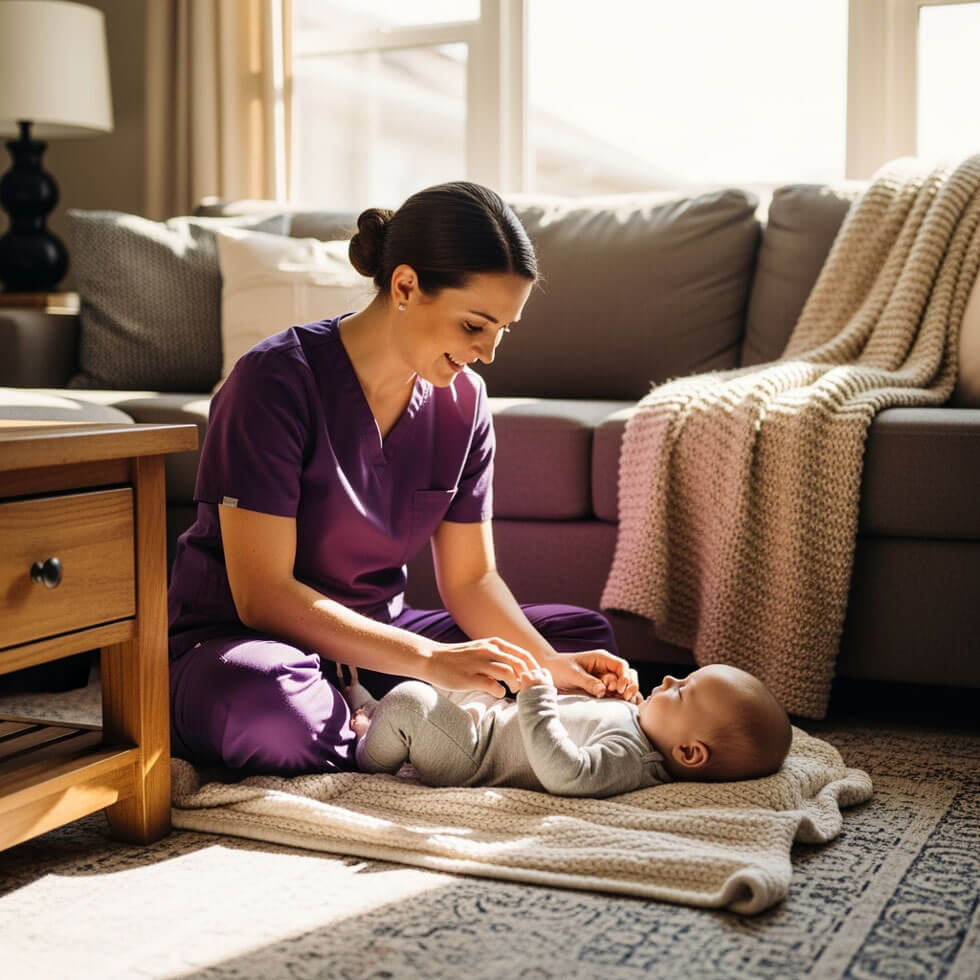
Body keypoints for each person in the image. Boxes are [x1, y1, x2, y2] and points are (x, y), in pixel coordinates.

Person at [166, 181, 638, 776]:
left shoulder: (465, 402)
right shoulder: (272, 382)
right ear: (406, 286)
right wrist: (432, 661)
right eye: (474, 325)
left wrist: (545, 665)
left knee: (578, 637)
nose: (488, 352)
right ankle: (405, 721)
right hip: (248, 641)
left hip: (379, 639)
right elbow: (263, 596)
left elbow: (471, 579)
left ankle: (390, 723)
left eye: (502, 330)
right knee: (268, 708)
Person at [343, 663, 793, 797]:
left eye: (681, 693)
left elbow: (567, 773)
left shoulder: (632, 758)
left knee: (411, 702)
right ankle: (368, 708)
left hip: (474, 754)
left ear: (690, 753)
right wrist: (608, 696)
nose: (670, 680)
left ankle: (366, 749)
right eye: (683, 676)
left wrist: (538, 698)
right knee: (456, 675)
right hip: (493, 717)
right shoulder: (637, 723)